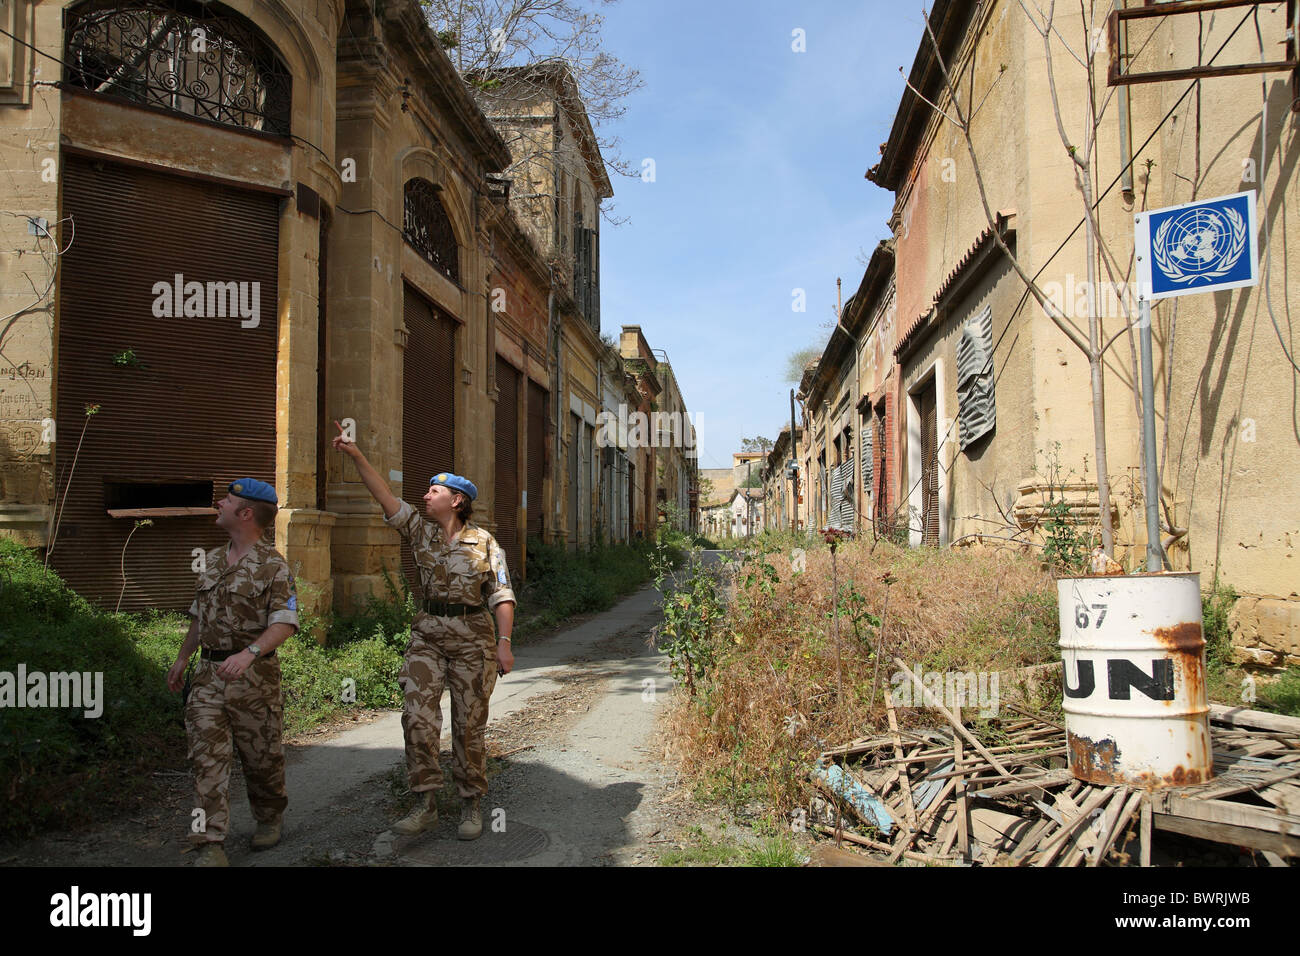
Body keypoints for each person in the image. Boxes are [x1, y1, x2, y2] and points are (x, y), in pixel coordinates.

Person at [332, 421, 515, 840]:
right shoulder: (419, 530)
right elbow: (383, 495)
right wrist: (357, 454)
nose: (425, 494)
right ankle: (426, 803)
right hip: (428, 636)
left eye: (434, 491)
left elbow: (502, 594)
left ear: (457, 500)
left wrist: (504, 643)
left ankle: (471, 804)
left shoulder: (486, 543)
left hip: (474, 640)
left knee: (469, 725)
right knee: (417, 719)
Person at [166, 478, 299, 867]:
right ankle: (210, 843)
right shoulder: (208, 561)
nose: (218, 504)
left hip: (254, 680)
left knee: (262, 759)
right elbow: (198, 617)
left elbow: (285, 622)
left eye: (227, 500)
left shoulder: (273, 565)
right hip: (208, 676)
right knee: (206, 758)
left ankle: (269, 815)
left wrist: (249, 653)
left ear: (245, 513)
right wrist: (181, 658)